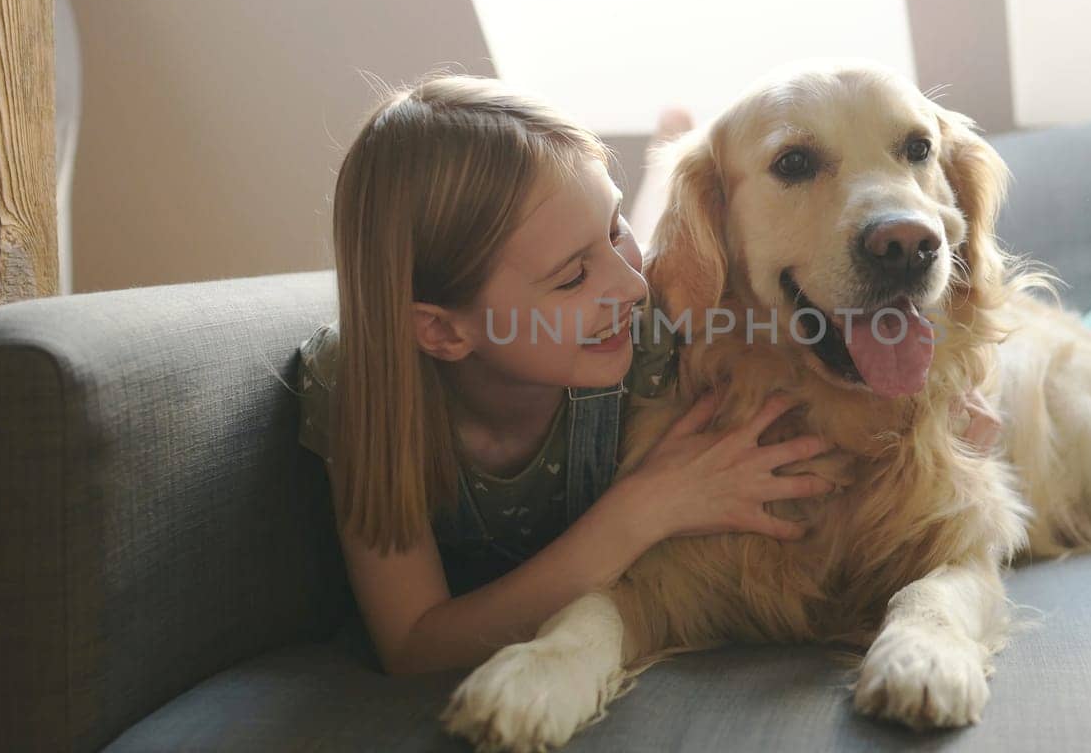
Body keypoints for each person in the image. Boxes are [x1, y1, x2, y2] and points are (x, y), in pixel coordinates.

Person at [294, 75, 840, 676]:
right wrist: (644, 509)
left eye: (611, 231)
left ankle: (660, 163)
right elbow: (412, 647)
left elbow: (805, 344)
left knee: (659, 259)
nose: (628, 287)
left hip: (665, 305)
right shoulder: (356, 388)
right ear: (444, 332)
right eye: (571, 278)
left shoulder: (649, 331)